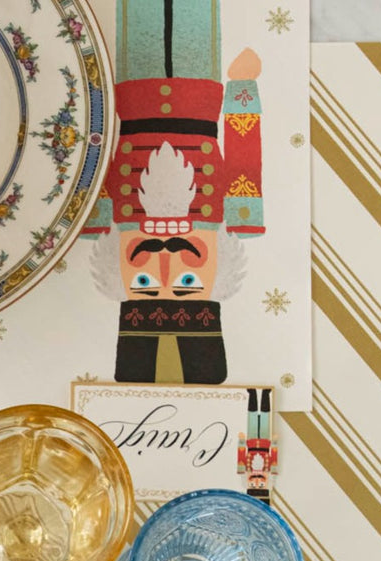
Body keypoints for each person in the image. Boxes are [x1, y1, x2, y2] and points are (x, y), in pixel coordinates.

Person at [84, 0, 264, 383]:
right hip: (177, 106)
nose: (165, 269)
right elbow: (243, 168)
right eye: (187, 282)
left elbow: (96, 153)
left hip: (146, 110)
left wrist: (93, 215)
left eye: (145, 282)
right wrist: (242, 90)